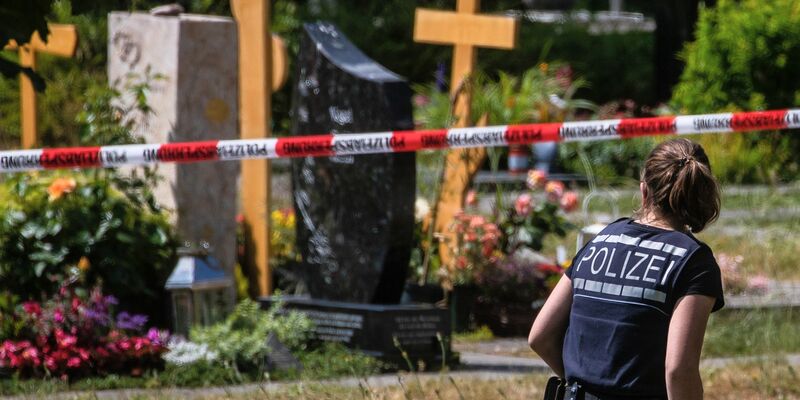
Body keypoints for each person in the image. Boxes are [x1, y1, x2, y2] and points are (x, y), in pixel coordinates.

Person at [529, 138, 724, 400]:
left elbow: (540, 336)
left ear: (644, 192)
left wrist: (586, 385)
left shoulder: (602, 239)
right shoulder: (693, 261)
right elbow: (679, 370)